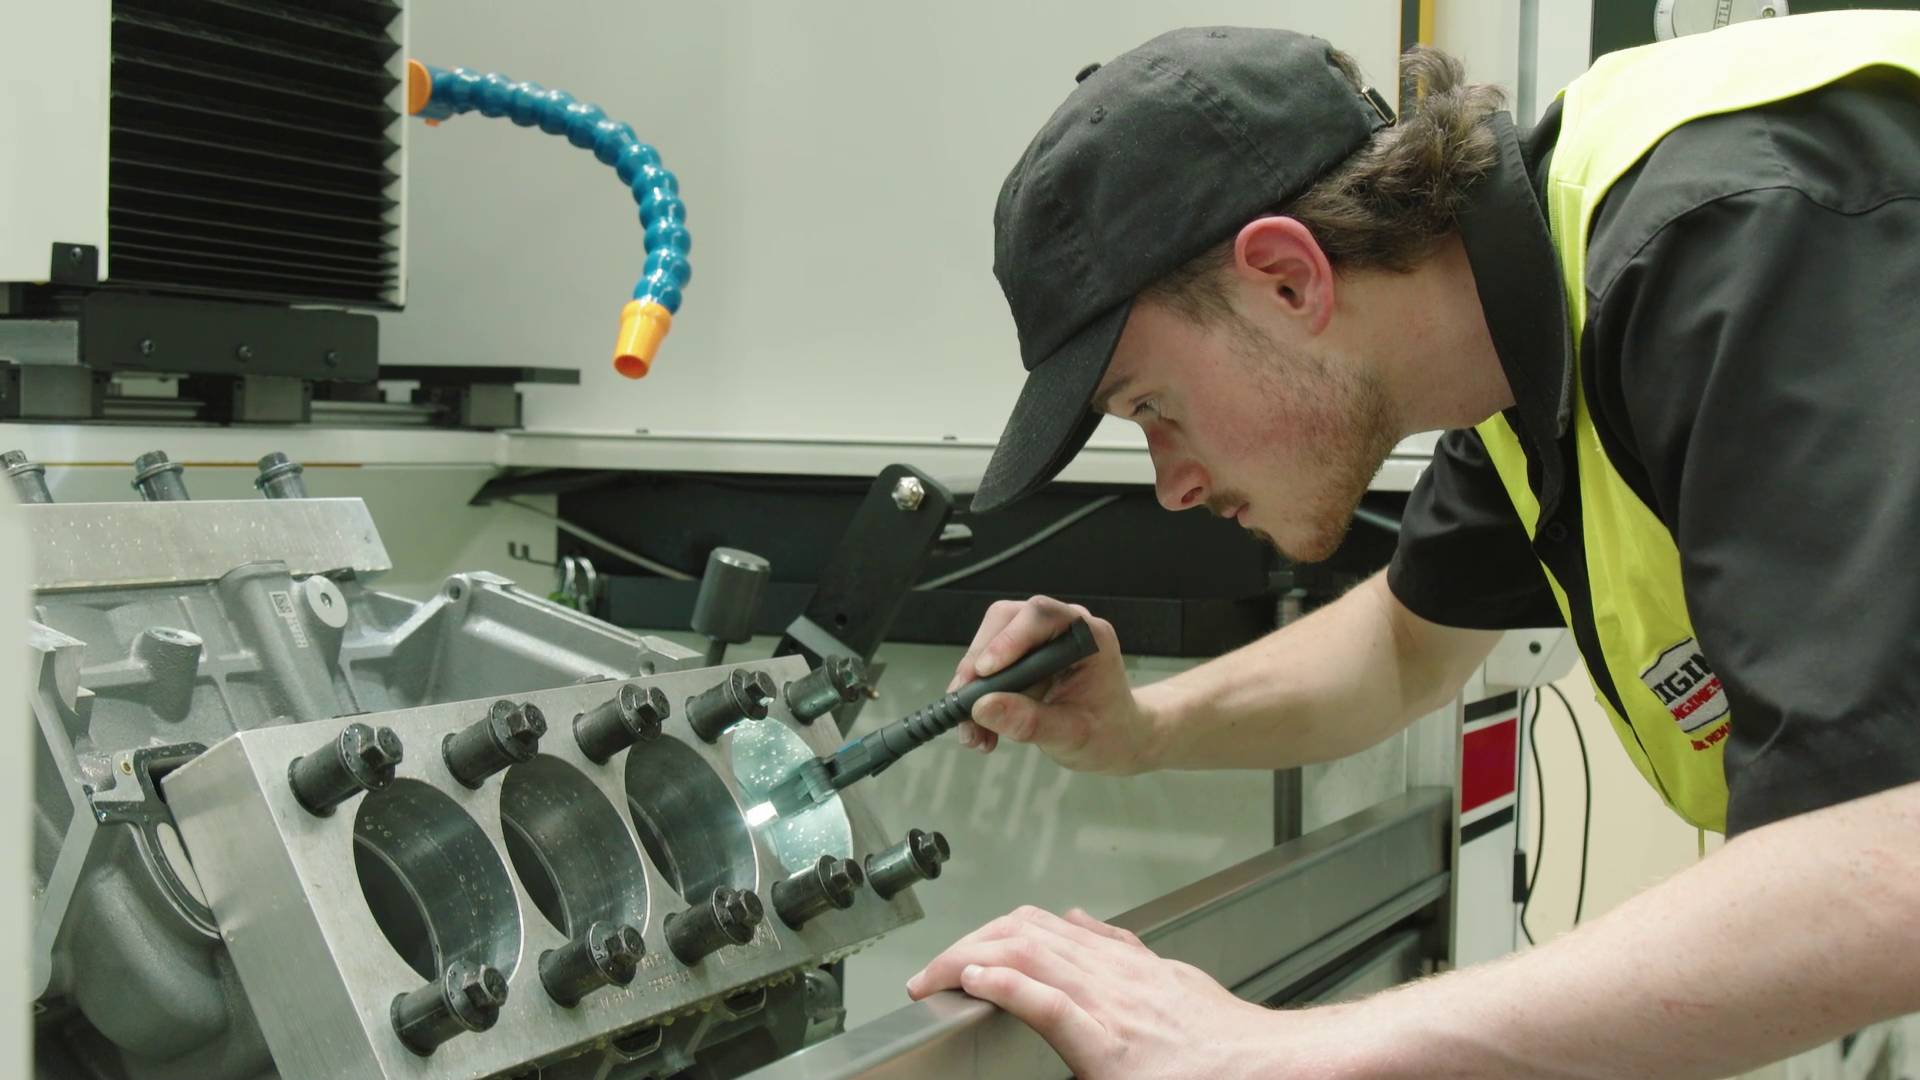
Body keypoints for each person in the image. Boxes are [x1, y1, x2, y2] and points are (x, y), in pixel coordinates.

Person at [903, 12, 1920, 1079]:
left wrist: (1266, 1053)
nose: (1172, 484)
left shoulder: (1738, 235)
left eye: (1154, 405)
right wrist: (1142, 726)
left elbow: (1888, 857)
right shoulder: (1528, 341)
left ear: (1290, 278)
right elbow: (1402, 646)